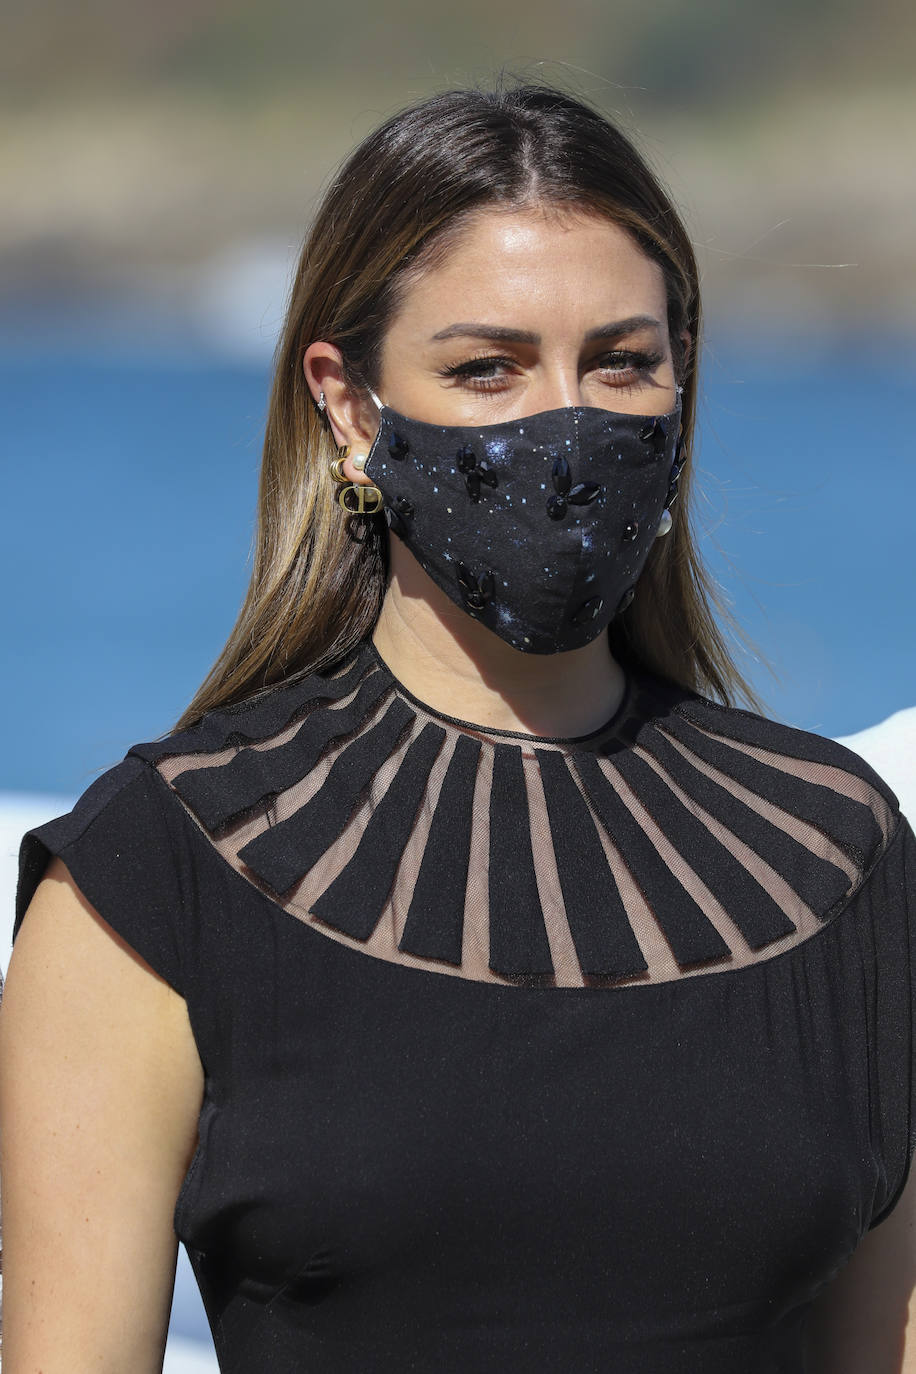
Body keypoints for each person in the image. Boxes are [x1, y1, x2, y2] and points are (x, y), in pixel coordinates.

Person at [0, 81, 914, 1374]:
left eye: (622, 361)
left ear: (683, 383)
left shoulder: (842, 858)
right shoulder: (156, 880)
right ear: (352, 405)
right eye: (486, 367)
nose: (568, 420)